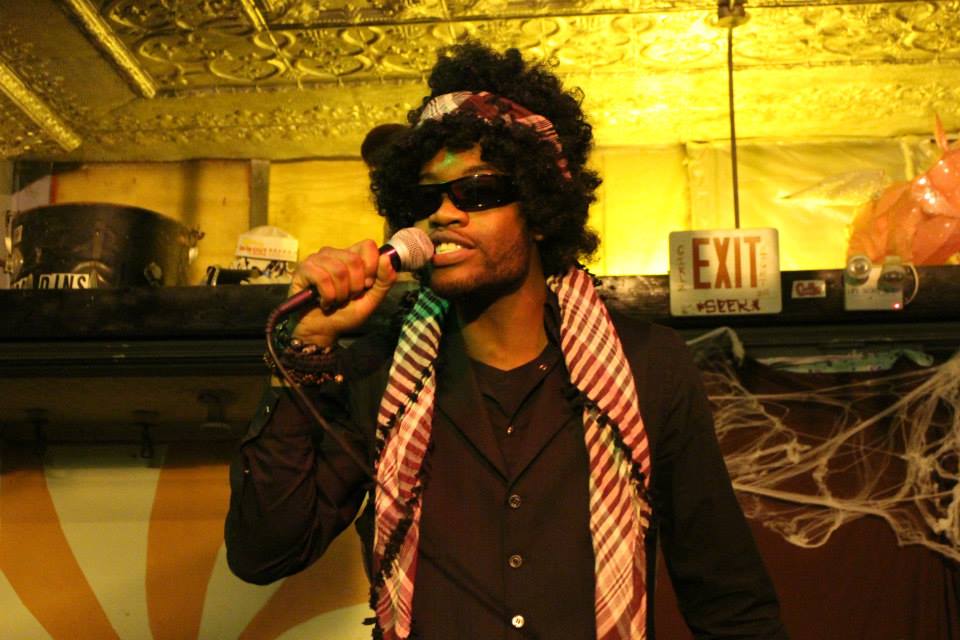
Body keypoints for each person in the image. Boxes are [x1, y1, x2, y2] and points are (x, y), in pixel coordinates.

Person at [225, 43, 788, 640]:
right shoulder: (378, 371)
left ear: (541, 210)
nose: (445, 213)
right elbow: (265, 552)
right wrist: (304, 350)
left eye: (477, 191)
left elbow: (727, 597)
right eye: (426, 198)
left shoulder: (647, 365)